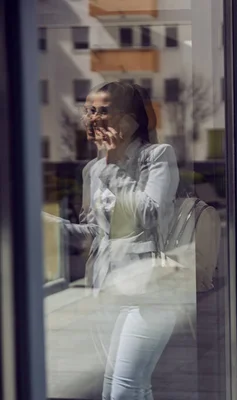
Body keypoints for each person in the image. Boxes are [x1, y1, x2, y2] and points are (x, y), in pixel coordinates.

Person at [44, 81, 179, 399]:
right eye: (88, 110)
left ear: (128, 119)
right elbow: (99, 234)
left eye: (102, 111)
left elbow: (149, 214)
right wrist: (50, 226)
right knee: (118, 390)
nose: (91, 118)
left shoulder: (157, 157)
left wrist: (112, 161)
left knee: (124, 391)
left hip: (149, 294)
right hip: (106, 291)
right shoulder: (92, 170)